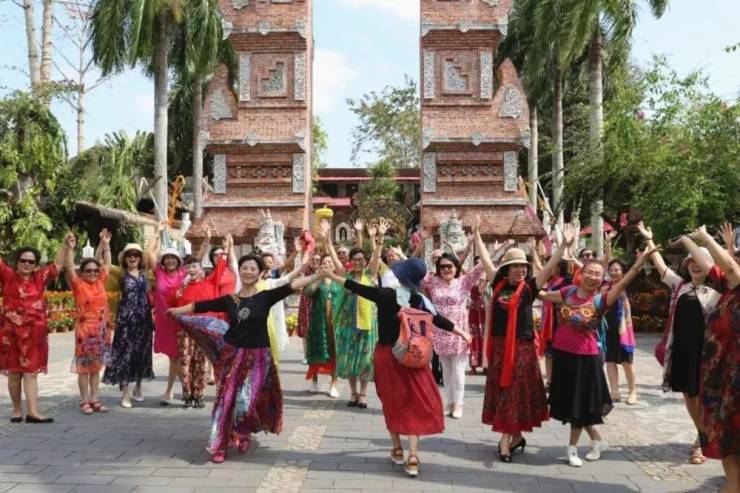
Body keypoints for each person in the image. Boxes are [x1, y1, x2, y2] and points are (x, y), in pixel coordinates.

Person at [321, 257, 471, 477]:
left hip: (388, 356)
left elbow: (355, 287)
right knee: (413, 403)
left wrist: (330, 275)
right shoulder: (420, 300)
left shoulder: (386, 295)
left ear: (401, 277)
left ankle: (398, 449)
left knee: (391, 402)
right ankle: (413, 456)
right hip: (414, 357)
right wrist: (463, 332)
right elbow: (440, 320)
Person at [168, 254, 317, 463]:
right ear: (240, 270)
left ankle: (242, 432)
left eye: (253, 269)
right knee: (226, 399)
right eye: (245, 268)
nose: (248, 272)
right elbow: (200, 306)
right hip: (232, 355)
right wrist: (176, 311)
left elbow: (292, 286)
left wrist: (318, 275)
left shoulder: (265, 297)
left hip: (258, 358)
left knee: (246, 400)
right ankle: (219, 445)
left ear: (260, 273)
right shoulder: (230, 300)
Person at [542, 245, 655, 467]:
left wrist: (641, 262)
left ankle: (572, 449)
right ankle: (597, 441)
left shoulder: (602, 299)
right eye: (590, 272)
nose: (593, 277)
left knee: (579, 405)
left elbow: (624, 281)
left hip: (585, 358)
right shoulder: (568, 292)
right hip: (563, 356)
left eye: (598, 274)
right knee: (574, 405)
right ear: (581, 273)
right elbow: (542, 294)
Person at [482, 224, 575, 462]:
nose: (520, 270)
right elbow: (485, 261)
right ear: (507, 269)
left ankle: (505, 442)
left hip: (522, 349)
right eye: (515, 266)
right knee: (505, 393)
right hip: (500, 348)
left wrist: (563, 246)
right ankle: (516, 437)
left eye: (523, 266)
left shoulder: (530, 288)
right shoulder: (498, 284)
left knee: (513, 392)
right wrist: (475, 237)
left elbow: (549, 266)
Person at [637, 221, 721, 465]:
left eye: (699, 261)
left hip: (707, 353)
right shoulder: (680, 286)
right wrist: (649, 239)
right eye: (690, 261)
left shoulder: (719, 291)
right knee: (688, 394)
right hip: (683, 351)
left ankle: (701, 441)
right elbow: (661, 266)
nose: (694, 264)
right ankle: (702, 435)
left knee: (705, 397)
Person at [423, 217, 492, 419]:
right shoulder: (433, 282)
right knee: (446, 371)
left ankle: (459, 405)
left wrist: (477, 237)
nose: (446, 269)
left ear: (456, 268)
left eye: (450, 266)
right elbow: (415, 271)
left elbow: (483, 266)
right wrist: (422, 243)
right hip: (440, 332)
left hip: (459, 333)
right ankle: (449, 402)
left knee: (459, 371)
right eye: (443, 267)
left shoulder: (463, 282)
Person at [1, 235, 70, 423]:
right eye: (23, 260)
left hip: (34, 335)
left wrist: (65, 245)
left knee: (31, 373)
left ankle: (33, 412)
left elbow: (58, 265)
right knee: (14, 373)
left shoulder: (40, 277)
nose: (27, 264)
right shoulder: (8, 276)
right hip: (11, 334)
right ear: (16, 262)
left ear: (36, 264)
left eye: (31, 261)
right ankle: (17, 411)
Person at [692, 224, 739, 493]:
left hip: (734, 381)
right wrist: (689, 240)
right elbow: (711, 265)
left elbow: (730, 268)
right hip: (722, 380)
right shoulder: (727, 288)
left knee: (730, 435)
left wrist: (706, 238)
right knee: (727, 437)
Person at [323, 218, 383, 408]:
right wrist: (327, 239)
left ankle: (363, 394)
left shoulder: (370, 274)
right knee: (349, 359)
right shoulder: (345, 275)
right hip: (347, 324)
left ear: (365, 262)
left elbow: (377, 255)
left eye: (361, 259)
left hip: (367, 324)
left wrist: (380, 237)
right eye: (355, 259)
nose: (358, 262)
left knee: (365, 359)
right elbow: (333, 257)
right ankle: (353, 393)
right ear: (350, 261)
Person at [173, 236, 231, 408]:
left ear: (201, 269)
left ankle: (198, 395)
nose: (192, 270)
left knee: (202, 362)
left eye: (195, 267)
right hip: (185, 328)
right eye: (188, 267)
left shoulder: (210, 282)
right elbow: (174, 303)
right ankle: (187, 395)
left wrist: (226, 249)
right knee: (185, 361)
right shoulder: (181, 286)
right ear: (184, 270)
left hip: (204, 328)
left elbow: (221, 266)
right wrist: (182, 286)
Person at [64, 231, 113, 415]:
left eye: (95, 270)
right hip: (84, 334)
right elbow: (69, 267)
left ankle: (95, 398)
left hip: (101, 333)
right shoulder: (78, 285)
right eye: (88, 271)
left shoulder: (100, 282)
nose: (93, 273)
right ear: (82, 273)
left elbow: (106, 263)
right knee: (84, 369)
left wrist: (105, 244)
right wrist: (69, 248)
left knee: (96, 368)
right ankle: (84, 400)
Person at [102, 240, 156, 407]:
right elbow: (106, 265)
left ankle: (138, 388)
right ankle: (125, 393)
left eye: (136, 255)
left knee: (141, 353)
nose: (133, 258)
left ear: (140, 258)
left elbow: (153, 254)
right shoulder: (120, 274)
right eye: (129, 255)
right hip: (125, 321)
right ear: (125, 258)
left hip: (143, 320)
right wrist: (106, 245)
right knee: (124, 355)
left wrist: (158, 234)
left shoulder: (145, 274)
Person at [146, 220, 187, 406]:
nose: (170, 261)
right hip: (164, 322)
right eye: (167, 258)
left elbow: (199, 262)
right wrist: (158, 231)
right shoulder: (159, 273)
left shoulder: (183, 274)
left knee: (177, 356)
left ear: (178, 261)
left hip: (180, 320)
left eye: (173, 258)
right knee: (174, 357)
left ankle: (171, 390)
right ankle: (184, 389)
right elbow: (149, 253)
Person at [304, 254, 344, 397]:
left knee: (334, 353)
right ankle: (314, 380)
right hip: (318, 322)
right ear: (321, 265)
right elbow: (308, 293)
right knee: (316, 350)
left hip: (335, 323)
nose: (328, 264)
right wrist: (320, 277)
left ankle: (333, 384)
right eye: (325, 262)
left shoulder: (338, 281)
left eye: (330, 262)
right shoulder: (316, 280)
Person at [603, 259, 638, 404]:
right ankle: (615, 392)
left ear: (623, 272)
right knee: (610, 361)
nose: (613, 272)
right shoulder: (605, 286)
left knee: (626, 362)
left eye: (616, 270)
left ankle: (632, 392)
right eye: (611, 270)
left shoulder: (625, 284)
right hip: (608, 328)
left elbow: (634, 271)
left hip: (623, 329)